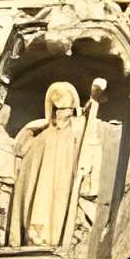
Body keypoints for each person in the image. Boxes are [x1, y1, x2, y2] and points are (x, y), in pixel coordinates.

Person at [8, 80, 91, 249]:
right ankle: (38, 238)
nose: (64, 114)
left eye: (67, 110)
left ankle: (59, 238)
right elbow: (28, 179)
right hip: (43, 191)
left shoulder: (75, 135)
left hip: (64, 185)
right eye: (59, 110)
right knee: (42, 203)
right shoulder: (41, 138)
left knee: (60, 207)